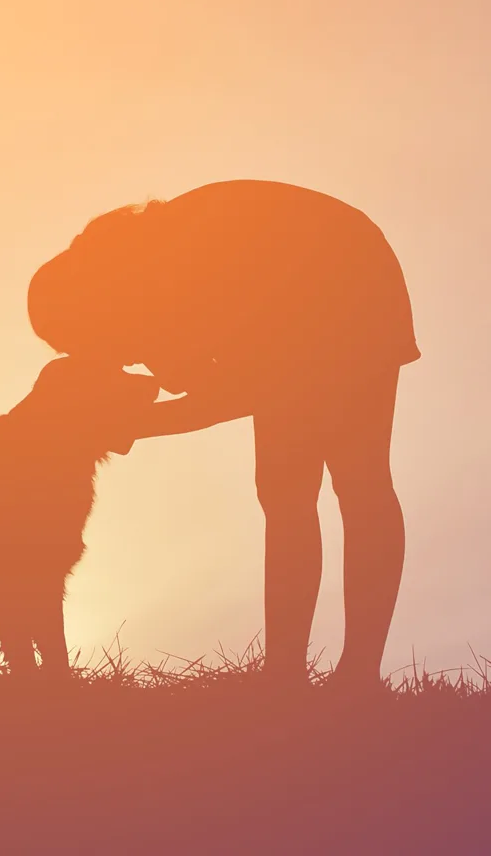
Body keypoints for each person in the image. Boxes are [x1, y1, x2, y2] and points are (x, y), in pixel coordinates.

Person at [27, 179, 419, 687]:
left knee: (350, 483)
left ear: (90, 310)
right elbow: (232, 382)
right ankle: (298, 674)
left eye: (88, 344)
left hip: (342, 278)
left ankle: (340, 675)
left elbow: (239, 393)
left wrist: (133, 424)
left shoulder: (170, 273)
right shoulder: (147, 272)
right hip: (339, 269)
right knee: (295, 487)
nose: (114, 359)